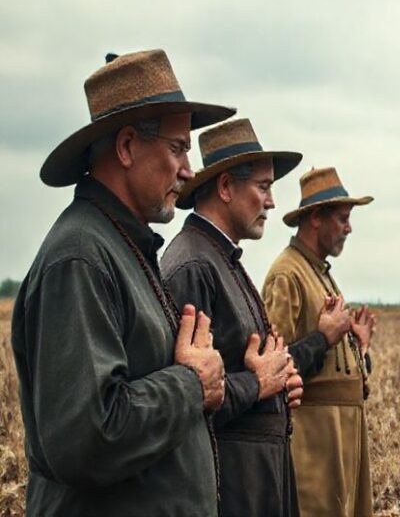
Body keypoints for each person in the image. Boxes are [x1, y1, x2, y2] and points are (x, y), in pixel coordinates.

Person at [11, 49, 232, 515]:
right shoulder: (80, 259)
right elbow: (90, 436)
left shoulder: (120, 246)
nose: (190, 171)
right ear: (128, 147)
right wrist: (193, 383)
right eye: (177, 148)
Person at [161, 118, 351, 515]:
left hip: (256, 479)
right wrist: (262, 384)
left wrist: (281, 386)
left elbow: (238, 373)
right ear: (226, 187)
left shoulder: (221, 257)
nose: (272, 202)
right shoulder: (194, 265)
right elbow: (190, 403)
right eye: (263, 187)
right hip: (233, 487)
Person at [263, 166, 376, 517]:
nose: (349, 228)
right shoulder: (287, 274)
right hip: (314, 447)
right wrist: (325, 337)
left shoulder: (319, 272)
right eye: (342, 218)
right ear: (315, 217)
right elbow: (273, 366)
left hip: (342, 442)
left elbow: (334, 367)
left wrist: (359, 349)